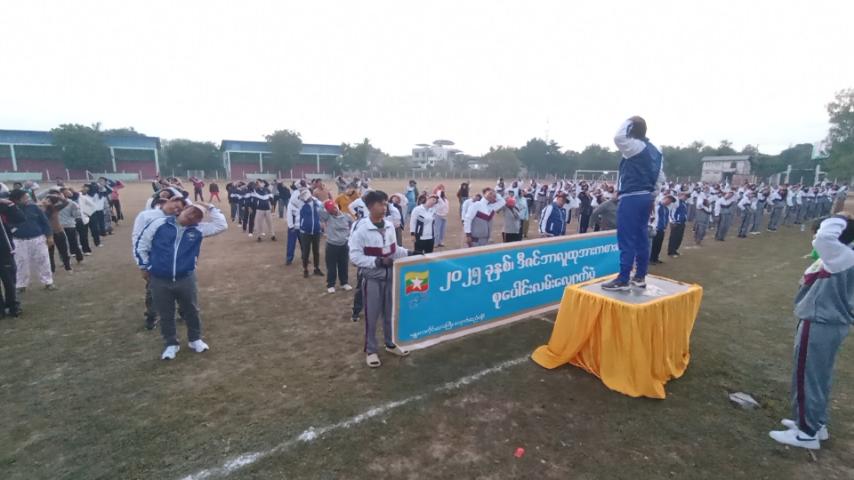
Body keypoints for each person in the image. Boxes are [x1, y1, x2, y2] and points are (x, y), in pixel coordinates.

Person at [768, 214, 854, 450]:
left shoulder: (842, 256)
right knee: (818, 376)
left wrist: (838, 218)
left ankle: (806, 433)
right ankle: (815, 423)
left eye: (815, 234)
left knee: (808, 376)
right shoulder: (845, 254)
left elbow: (824, 238)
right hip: (829, 322)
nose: (814, 240)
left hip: (821, 322)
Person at [134, 203, 227, 360]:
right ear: (184, 209)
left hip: (186, 277)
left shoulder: (198, 230)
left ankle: (195, 339)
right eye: (192, 211)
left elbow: (221, 225)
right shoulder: (159, 224)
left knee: (191, 310)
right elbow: (142, 244)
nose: (192, 216)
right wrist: (144, 266)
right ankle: (171, 343)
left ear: (198, 221)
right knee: (166, 313)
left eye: (197, 216)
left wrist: (210, 207)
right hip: (159, 278)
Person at [349, 190, 411, 368]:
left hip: (391, 277)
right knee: (372, 315)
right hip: (372, 280)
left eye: (385, 204)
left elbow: (394, 250)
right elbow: (354, 257)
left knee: (390, 313)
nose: (384, 208)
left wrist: (410, 253)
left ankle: (390, 343)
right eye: (380, 204)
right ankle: (371, 350)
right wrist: (376, 261)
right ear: (370, 207)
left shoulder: (389, 226)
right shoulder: (361, 229)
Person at [602, 116, 664, 291]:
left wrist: (629, 120)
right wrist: (652, 196)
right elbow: (660, 177)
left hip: (632, 196)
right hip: (646, 196)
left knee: (626, 238)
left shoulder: (636, 146)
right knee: (641, 237)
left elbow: (618, 137)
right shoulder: (656, 150)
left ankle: (623, 278)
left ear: (631, 129)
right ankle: (640, 276)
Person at [132, 195, 188, 330]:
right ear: (167, 202)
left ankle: (184, 313)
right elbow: (137, 240)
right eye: (175, 205)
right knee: (153, 291)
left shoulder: (179, 218)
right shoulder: (146, 216)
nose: (176, 210)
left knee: (182, 289)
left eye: (179, 209)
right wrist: (142, 265)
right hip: (155, 262)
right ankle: (152, 316)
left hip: (177, 261)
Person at [9, 189, 55, 292]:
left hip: (38, 239)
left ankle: (48, 282)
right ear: (17, 199)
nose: (27, 199)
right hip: (19, 240)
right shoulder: (10, 210)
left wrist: (49, 236)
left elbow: (45, 222)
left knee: (43, 260)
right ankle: (21, 285)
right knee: (21, 262)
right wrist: (14, 230)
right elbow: (7, 224)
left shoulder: (34, 207)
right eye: (25, 197)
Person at [320, 200, 353, 293]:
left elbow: (353, 225)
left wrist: (349, 235)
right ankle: (331, 284)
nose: (334, 210)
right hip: (332, 245)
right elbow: (319, 211)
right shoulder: (328, 217)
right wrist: (324, 203)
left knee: (344, 264)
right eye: (331, 209)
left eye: (334, 207)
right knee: (331, 266)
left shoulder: (347, 216)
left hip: (344, 244)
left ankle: (344, 283)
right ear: (328, 211)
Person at [0, 197, 24, 316]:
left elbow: (20, 218)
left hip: (4, 251)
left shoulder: (3, 206)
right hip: (4, 249)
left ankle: (13, 306)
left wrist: (10, 204)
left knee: (10, 280)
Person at [41, 193, 73, 274]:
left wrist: (59, 197)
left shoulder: (55, 208)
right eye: (46, 199)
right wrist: (42, 205)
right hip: (47, 234)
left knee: (63, 251)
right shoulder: (40, 210)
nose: (46, 201)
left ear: (52, 202)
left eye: (48, 200)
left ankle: (68, 267)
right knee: (49, 253)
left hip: (58, 232)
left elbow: (66, 203)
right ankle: (52, 269)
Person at [297, 189, 324, 278]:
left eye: (306, 198)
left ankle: (316, 268)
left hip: (316, 231)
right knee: (306, 252)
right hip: (305, 232)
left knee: (316, 251)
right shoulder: (301, 204)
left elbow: (323, 212)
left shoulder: (317, 203)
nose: (305, 200)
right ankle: (305, 269)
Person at [649, 195, 674, 265]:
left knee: (658, 245)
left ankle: (655, 258)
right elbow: (654, 217)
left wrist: (665, 227)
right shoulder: (657, 207)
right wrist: (654, 227)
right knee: (654, 245)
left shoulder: (666, 209)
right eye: (669, 200)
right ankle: (651, 259)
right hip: (656, 228)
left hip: (662, 229)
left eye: (670, 201)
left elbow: (666, 219)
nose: (669, 202)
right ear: (665, 198)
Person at [667, 193, 688, 257]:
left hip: (682, 223)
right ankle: (671, 252)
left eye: (687, 196)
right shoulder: (676, 202)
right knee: (674, 238)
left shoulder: (684, 203)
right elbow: (670, 211)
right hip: (676, 223)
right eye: (685, 196)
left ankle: (675, 250)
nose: (686, 197)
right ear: (680, 195)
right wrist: (672, 221)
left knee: (679, 238)